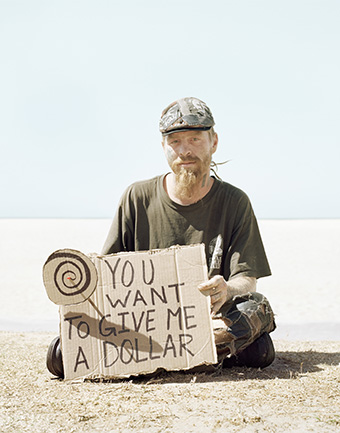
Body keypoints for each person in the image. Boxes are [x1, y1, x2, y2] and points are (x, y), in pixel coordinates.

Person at [47, 97, 276, 378]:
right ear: (164, 147)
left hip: (211, 319)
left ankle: (182, 351)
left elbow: (247, 279)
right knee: (60, 358)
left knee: (257, 308)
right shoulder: (136, 197)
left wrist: (226, 289)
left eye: (195, 139)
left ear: (213, 142)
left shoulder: (235, 201)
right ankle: (197, 353)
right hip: (144, 325)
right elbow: (106, 274)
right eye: (176, 141)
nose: (185, 150)